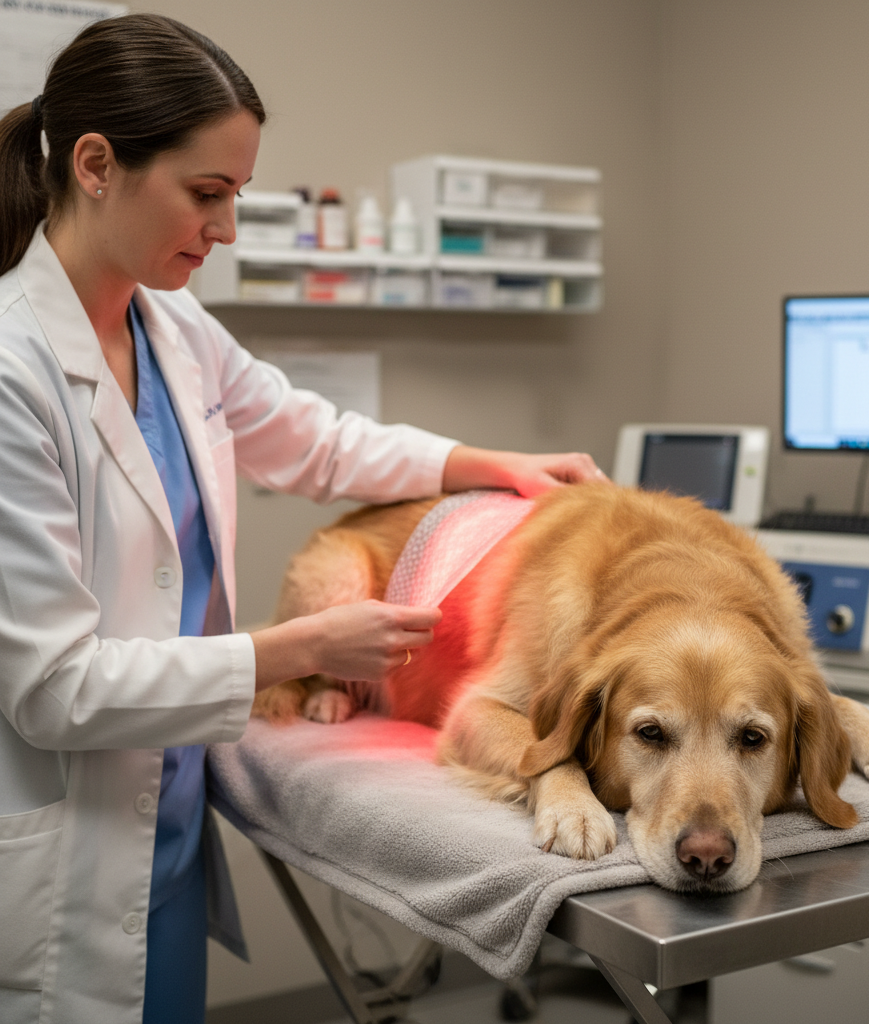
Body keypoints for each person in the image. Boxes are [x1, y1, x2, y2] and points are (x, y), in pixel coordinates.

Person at [0, 14, 606, 1024]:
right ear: (97, 164)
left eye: (236, 195)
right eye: (207, 193)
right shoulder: (14, 371)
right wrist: (296, 650)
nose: (226, 227)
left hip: (169, 821)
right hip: (69, 849)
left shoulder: (171, 325)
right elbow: (54, 688)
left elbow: (310, 438)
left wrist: (481, 462)